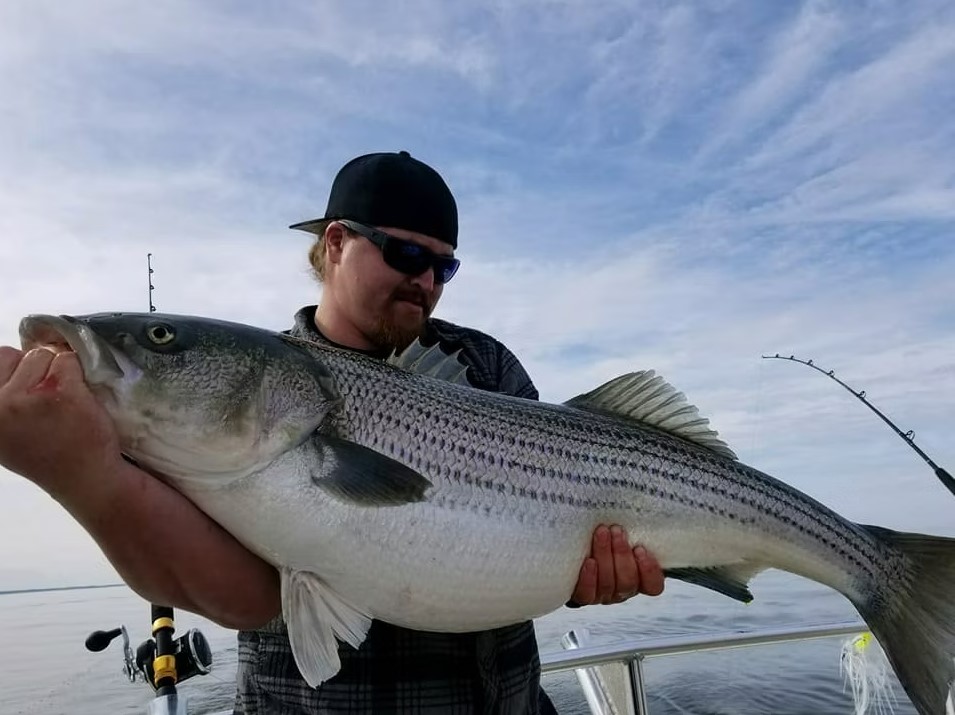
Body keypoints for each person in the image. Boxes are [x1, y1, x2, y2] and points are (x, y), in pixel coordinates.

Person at [0, 150, 664, 714]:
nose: (426, 280)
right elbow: (237, 594)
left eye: (444, 266)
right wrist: (78, 467)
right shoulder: (215, 410)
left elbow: (546, 540)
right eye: (406, 252)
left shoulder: (483, 365)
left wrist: (583, 577)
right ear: (337, 243)